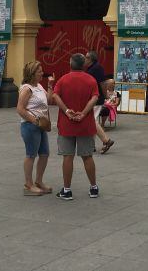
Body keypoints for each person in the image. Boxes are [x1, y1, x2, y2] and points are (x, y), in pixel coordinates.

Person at [52, 53, 101, 200]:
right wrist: (84, 112)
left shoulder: (63, 79)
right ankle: (93, 188)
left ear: (70, 64)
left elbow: (55, 96)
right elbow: (95, 97)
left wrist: (67, 110)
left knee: (68, 156)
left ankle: (67, 190)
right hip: (85, 124)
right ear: (84, 65)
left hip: (67, 124)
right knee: (87, 156)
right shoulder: (90, 80)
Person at [16, 61, 53, 196]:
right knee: (31, 154)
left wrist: (50, 86)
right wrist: (35, 120)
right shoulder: (27, 88)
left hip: (41, 125)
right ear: (32, 73)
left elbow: (49, 100)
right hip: (30, 126)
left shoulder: (38, 86)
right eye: (39, 71)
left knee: (44, 153)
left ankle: (39, 181)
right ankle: (28, 184)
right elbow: (20, 109)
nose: (42, 73)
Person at [84, 51, 115, 154]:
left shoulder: (97, 68)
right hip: (93, 98)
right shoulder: (91, 68)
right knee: (93, 120)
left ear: (90, 59)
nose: (84, 59)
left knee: (92, 121)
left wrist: (105, 95)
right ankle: (91, 145)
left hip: (96, 98)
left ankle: (106, 140)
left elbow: (102, 83)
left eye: (86, 57)